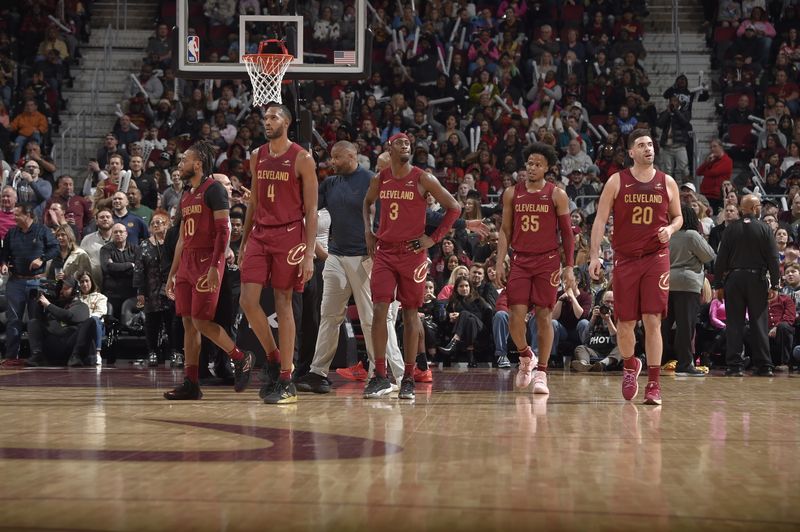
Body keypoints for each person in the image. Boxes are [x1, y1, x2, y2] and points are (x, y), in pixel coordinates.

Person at [295, 141, 405, 394]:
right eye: (331, 158)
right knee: (329, 316)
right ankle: (317, 372)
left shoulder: (370, 180)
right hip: (335, 256)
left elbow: (389, 213)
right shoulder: (330, 184)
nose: (331, 162)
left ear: (352, 155)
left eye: (336, 157)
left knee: (372, 320)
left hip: (365, 258)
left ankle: (387, 374)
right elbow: (307, 207)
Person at [362, 132, 460, 400]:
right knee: (379, 310)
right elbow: (367, 203)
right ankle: (380, 376)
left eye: (408, 143)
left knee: (410, 315)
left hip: (412, 254)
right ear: (389, 148)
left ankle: (408, 377)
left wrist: (433, 239)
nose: (405, 145)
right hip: (384, 252)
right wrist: (369, 232)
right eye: (400, 143)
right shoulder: (379, 179)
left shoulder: (422, 177)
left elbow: (454, 208)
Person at [590, 129, 683, 405]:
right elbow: (599, 220)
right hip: (625, 258)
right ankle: (630, 365)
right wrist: (594, 256)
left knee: (653, 320)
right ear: (630, 152)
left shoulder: (667, 182)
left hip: (656, 257)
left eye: (651, 144)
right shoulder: (617, 181)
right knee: (625, 322)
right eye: (641, 145)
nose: (648, 149)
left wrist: (670, 228)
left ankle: (654, 384)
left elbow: (679, 217)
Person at [237, 104, 317, 405]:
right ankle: (272, 357)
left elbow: (310, 210)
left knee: (284, 301)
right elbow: (254, 202)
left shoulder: (302, 158)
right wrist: (244, 242)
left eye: (274, 117)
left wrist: (309, 255)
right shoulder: (257, 155)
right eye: (265, 118)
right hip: (260, 233)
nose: (267, 122)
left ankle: (286, 377)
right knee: (247, 300)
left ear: (288, 122)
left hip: (289, 235)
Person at [164, 141, 254, 400]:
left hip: (207, 260)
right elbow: (182, 238)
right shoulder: (186, 195)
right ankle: (191, 383)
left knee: (202, 321)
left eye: (184, 160)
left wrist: (216, 267)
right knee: (188, 323)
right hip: (187, 263)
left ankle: (240, 357)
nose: (180, 164)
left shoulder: (213, 189)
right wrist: (173, 273)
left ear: (198, 163)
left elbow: (223, 230)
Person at [495, 142, 577, 395]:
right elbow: (505, 230)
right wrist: (500, 261)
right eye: (529, 163)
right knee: (514, 315)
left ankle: (542, 371)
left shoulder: (557, 194)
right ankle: (524, 355)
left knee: (544, 317)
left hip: (547, 261)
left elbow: (567, 234)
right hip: (520, 259)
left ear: (547, 168)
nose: (532, 167)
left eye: (537, 164)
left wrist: (570, 267)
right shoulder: (512, 193)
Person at [714, 194, 781, 376]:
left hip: (734, 280)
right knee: (759, 323)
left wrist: (718, 284)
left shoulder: (730, 230)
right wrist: (775, 284)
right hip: (756, 280)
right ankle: (764, 366)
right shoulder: (765, 229)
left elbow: (720, 259)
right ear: (753, 208)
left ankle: (734, 366)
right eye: (759, 205)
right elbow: (773, 259)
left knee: (734, 323)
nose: (760, 208)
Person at [661, 203, 716, 376]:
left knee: (664, 325)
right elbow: (709, 255)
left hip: (666, 282)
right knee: (686, 327)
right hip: (687, 284)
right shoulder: (692, 235)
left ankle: (655, 360)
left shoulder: (667, 234)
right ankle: (684, 364)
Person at [0, 204, 58, 364]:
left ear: (28, 215)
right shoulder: (11, 233)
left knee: (35, 320)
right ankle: (11, 356)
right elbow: (4, 253)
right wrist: (3, 263)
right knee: (13, 320)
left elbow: (55, 248)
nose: (14, 218)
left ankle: (36, 355)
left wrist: (42, 259)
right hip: (15, 281)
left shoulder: (43, 231)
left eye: (17, 214)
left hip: (36, 282)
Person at [134, 212, 174, 367]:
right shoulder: (144, 245)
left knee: (172, 323)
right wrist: (140, 292)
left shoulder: (172, 243)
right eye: (153, 223)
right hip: (151, 290)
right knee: (152, 323)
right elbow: (138, 270)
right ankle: (152, 352)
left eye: (160, 222)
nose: (156, 225)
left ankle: (176, 352)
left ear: (167, 224)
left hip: (171, 289)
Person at [25, 278, 92, 367]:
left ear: (74, 290)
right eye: (60, 288)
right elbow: (39, 320)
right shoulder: (54, 305)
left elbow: (68, 316)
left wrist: (48, 305)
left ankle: (76, 356)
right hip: (52, 345)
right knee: (33, 322)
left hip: (69, 347)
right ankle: (37, 355)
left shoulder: (82, 306)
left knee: (91, 322)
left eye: (65, 288)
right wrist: (40, 305)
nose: (61, 291)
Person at [76, 270, 108, 366]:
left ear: (92, 282)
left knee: (94, 319)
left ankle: (97, 354)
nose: (84, 284)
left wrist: (86, 318)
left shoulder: (101, 297)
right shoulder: (76, 299)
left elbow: (101, 312)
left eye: (87, 281)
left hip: (97, 325)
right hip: (81, 326)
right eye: (82, 282)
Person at [79, 208, 114, 290]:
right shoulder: (87, 239)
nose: (105, 219)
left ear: (113, 220)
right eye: (102, 217)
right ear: (96, 221)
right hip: (95, 285)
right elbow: (80, 262)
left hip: (116, 284)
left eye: (108, 217)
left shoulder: (119, 238)